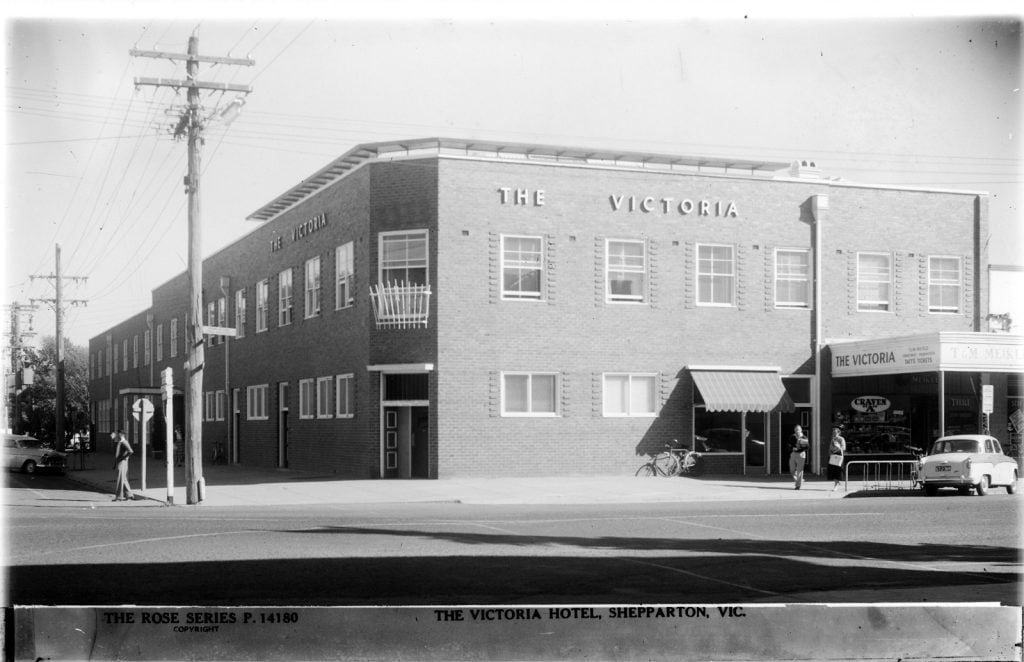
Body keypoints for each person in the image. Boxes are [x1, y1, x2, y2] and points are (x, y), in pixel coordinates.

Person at [112, 430, 134, 501]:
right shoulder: (120, 442)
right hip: (120, 462)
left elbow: (130, 451)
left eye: (118, 434)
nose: (117, 435)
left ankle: (119, 496)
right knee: (123, 479)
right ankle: (129, 495)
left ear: (121, 435)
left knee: (120, 479)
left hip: (122, 463)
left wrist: (124, 457)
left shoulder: (124, 442)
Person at [787, 424, 810, 489]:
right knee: (792, 469)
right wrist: (792, 448)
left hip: (801, 454)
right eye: (796, 429)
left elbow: (807, 447)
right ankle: (799, 480)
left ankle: (798, 485)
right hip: (793, 453)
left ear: (801, 430)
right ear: (794, 430)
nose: (797, 431)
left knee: (800, 470)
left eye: (798, 429)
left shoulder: (804, 437)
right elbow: (788, 444)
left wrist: (800, 448)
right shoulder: (792, 437)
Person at [827, 425, 847, 492]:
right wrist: (830, 454)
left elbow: (844, 448)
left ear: (838, 433)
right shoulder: (832, 439)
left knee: (837, 472)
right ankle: (836, 482)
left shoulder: (841, 439)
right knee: (833, 471)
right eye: (833, 432)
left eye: (835, 433)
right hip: (833, 456)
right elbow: (830, 448)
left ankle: (835, 486)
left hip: (839, 456)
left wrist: (838, 446)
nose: (834, 434)